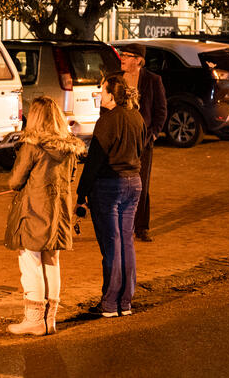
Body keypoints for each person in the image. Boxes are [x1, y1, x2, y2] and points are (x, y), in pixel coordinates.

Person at [4, 96, 86, 335]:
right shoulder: (68, 148)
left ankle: (34, 320)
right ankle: (50, 320)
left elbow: (16, 180)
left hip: (34, 209)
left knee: (30, 261)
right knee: (52, 260)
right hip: (58, 210)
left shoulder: (32, 146)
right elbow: (70, 177)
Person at [76, 74, 146, 317]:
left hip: (109, 185)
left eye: (101, 90)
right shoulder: (137, 117)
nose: (99, 94)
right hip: (133, 182)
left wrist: (80, 193)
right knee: (126, 242)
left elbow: (94, 160)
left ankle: (109, 303)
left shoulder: (107, 121)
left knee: (111, 245)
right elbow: (141, 149)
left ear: (111, 95)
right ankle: (125, 302)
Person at [119, 43, 167, 242]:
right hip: (120, 140)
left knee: (141, 184)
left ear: (138, 60)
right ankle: (121, 225)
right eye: (122, 55)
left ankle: (141, 227)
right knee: (119, 182)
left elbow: (161, 110)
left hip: (143, 141)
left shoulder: (152, 80)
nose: (122, 58)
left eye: (127, 55)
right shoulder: (116, 79)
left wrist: (153, 134)